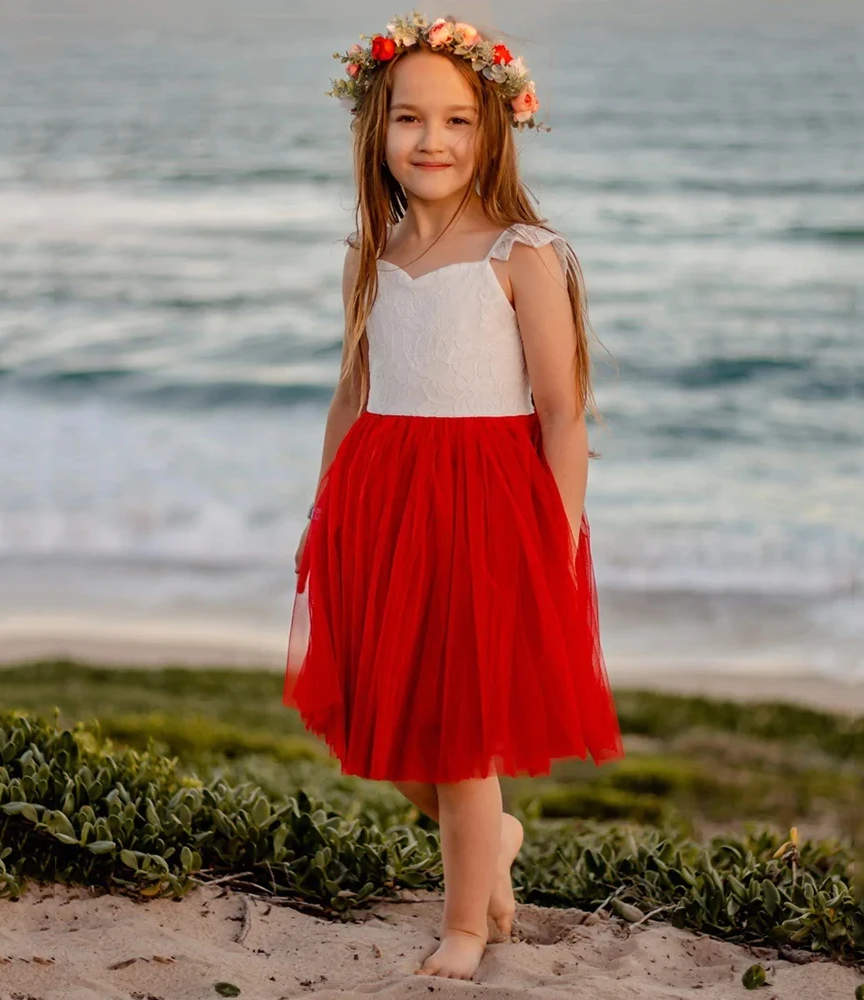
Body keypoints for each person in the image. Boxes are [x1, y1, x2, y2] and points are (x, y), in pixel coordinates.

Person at [282, 10, 624, 982]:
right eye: (409, 119)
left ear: (494, 130)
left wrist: (555, 541)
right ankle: (494, 843)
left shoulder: (521, 254)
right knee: (388, 736)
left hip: (488, 509)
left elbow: (561, 412)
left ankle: (467, 924)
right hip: (381, 503)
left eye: (457, 120)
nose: (432, 140)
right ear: (374, 129)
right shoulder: (369, 257)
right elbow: (353, 393)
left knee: (464, 737)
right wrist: (322, 515)